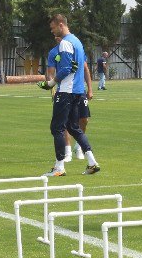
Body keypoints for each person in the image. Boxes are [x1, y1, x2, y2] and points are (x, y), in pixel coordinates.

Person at [37, 14, 100, 176]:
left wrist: (50, 84)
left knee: (57, 128)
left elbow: (65, 69)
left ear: (60, 25)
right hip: (78, 91)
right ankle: (92, 162)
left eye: (52, 28)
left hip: (66, 92)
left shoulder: (65, 43)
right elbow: (75, 66)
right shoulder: (77, 41)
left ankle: (59, 167)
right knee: (74, 128)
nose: (52, 32)